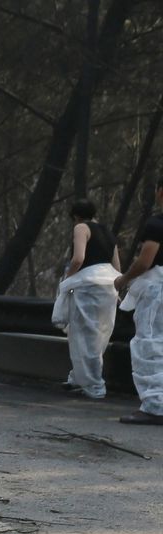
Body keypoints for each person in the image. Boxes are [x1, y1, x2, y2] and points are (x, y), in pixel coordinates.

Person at [52, 198, 122, 400]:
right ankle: (78, 377)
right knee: (99, 334)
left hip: (88, 286)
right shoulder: (107, 231)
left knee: (83, 335)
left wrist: (68, 279)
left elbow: (78, 258)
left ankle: (94, 385)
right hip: (108, 286)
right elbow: (116, 264)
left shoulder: (81, 227)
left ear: (75, 216)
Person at [114, 175, 163, 425]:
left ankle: (155, 406)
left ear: (160, 192)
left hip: (157, 291)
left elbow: (145, 261)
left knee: (150, 345)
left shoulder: (157, 224)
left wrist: (123, 280)